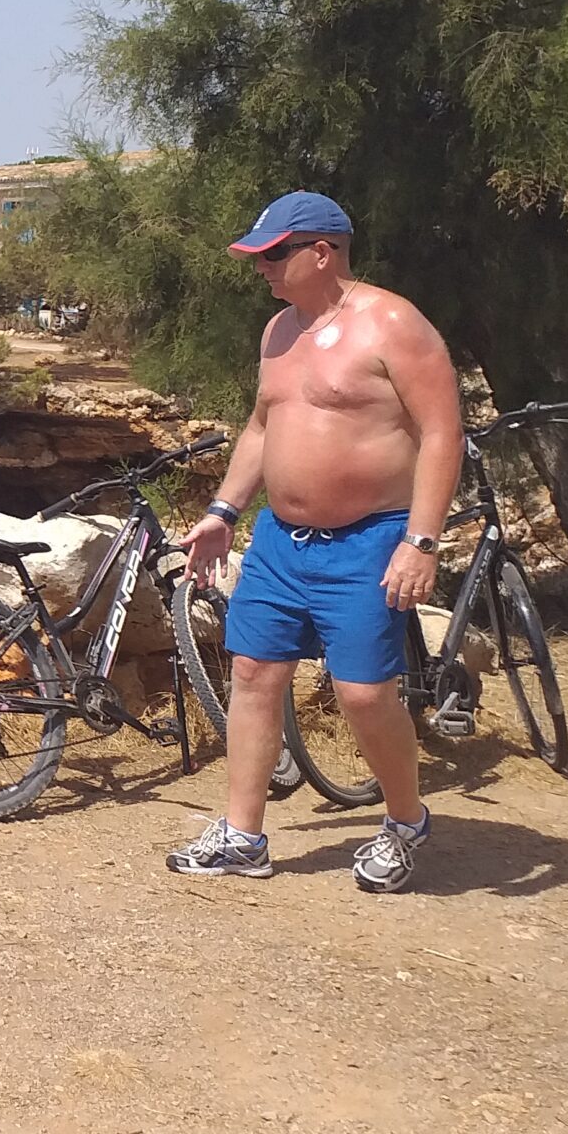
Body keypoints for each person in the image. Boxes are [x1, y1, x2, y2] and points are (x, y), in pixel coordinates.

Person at [173, 192, 463, 893]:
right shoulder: (278, 330)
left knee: (363, 694)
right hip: (280, 539)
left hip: (370, 540)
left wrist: (421, 542)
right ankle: (244, 836)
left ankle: (404, 819)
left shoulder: (392, 324)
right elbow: (263, 427)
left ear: (321, 251)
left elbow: (443, 433)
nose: (261, 268)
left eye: (273, 255)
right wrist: (223, 509)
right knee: (253, 673)